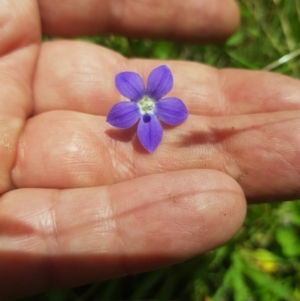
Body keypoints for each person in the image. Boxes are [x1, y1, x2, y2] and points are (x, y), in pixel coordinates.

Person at [1, 0, 299, 298]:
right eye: (143, 103)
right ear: (138, 98)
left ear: (153, 99)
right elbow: (120, 112)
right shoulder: (128, 104)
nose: (145, 105)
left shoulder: (159, 108)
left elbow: (177, 113)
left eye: (148, 104)